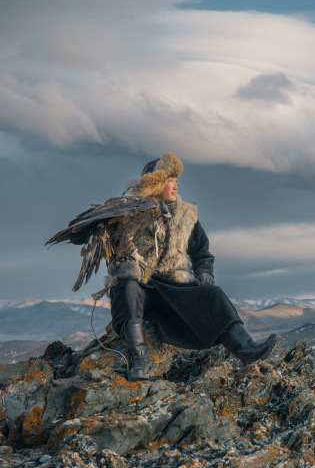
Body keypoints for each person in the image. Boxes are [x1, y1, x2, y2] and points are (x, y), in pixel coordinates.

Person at [105, 152, 281, 380]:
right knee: (127, 286)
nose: (175, 185)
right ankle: (139, 362)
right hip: (143, 290)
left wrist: (204, 271)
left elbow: (202, 253)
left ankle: (248, 351)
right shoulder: (127, 217)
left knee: (213, 294)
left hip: (174, 290)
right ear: (155, 183)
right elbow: (114, 258)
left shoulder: (186, 216)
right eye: (169, 180)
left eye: (176, 180)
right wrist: (129, 267)